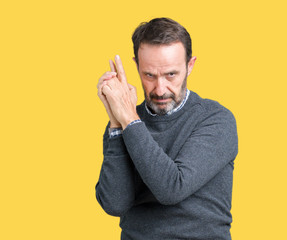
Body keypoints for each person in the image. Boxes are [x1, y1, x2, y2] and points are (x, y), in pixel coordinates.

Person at [95, 18, 238, 240]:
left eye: (171, 74)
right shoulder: (126, 120)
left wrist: (130, 120)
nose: (160, 89)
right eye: (149, 75)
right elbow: (115, 204)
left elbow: (172, 188)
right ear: (137, 67)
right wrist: (116, 123)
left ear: (190, 66)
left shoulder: (216, 119)